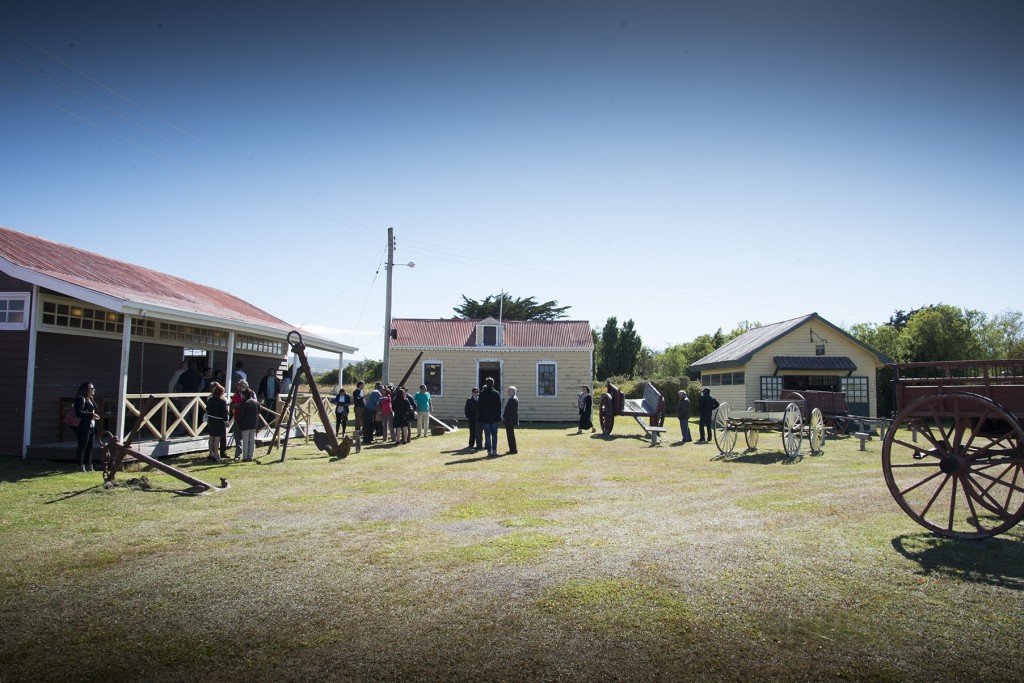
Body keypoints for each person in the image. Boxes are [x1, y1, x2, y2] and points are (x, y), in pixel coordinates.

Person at [72, 381, 101, 472]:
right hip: (83, 427)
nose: (94, 390)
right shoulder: (81, 399)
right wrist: (91, 415)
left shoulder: (90, 399)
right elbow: (78, 412)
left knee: (90, 448)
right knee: (82, 447)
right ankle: (80, 466)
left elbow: (94, 410)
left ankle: (89, 466)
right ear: (86, 390)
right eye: (92, 388)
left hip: (91, 426)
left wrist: (94, 415)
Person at [477, 377, 502, 456]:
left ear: (486, 384)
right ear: (493, 384)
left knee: (487, 435)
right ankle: (494, 450)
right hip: (494, 417)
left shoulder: (482, 393)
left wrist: (480, 417)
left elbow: (479, 407)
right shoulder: (496, 393)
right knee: (494, 434)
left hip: (485, 417)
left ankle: (489, 451)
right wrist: (499, 416)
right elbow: (499, 406)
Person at [205, 382, 229, 461]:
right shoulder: (222, 402)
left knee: (211, 437)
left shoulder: (210, 399)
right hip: (218, 421)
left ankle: (211, 454)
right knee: (217, 438)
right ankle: (216, 455)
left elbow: (207, 409)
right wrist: (226, 421)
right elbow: (224, 412)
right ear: (221, 393)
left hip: (211, 420)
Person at [238, 388, 260, 462]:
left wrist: (239, 422)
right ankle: (251, 456)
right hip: (254, 424)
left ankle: (245, 457)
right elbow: (259, 412)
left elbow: (241, 415)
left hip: (245, 424)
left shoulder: (245, 403)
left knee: (245, 441)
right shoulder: (256, 402)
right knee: (252, 441)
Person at [230, 380, 249, 460]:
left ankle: (247, 454)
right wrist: (235, 405)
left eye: (241, 386)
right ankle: (238, 455)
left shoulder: (248, 395)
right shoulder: (235, 395)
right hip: (237, 417)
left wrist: (241, 405)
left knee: (246, 437)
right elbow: (232, 405)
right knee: (237, 437)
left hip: (245, 418)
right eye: (238, 386)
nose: (239, 387)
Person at [503, 385, 519, 454]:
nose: (508, 392)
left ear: (512, 391)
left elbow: (509, 411)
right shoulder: (513, 398)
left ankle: (513, 450)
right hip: (510, 419)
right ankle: (512, 449)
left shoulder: (513, 399)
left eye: (509, 390)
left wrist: (504, 416)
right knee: (510, 435)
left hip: (510, 420)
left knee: (510, 435)